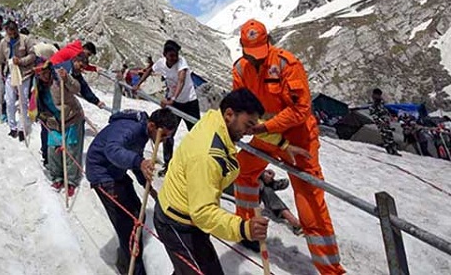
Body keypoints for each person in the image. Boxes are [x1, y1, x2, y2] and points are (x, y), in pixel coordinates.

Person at [232, 19, 345, 274]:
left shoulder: (286, 63)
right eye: (252, 56)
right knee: (243, 171)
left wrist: (264, 127)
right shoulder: (240, 69)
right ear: (242, 48)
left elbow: (300, 109)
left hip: (298, 137)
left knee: (309, 201)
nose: (257, 61)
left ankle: (330, 269)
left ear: (269, 41)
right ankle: (248, 231)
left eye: (260, 54)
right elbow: (240, 104)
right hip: (268, 134)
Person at [154, 89, 269, 275]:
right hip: (178, 222)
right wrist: (243, 228)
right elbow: (202, 212)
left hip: (186, 212)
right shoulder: (207, 156)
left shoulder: (215, 120)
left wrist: (283, 142)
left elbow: (255, 124)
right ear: (229, 114)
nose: (249, 132)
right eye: (248, 125)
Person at [86, 108, 180, 275]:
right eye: (164, 135)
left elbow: (135, 158)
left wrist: (147, 186)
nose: (165, 140)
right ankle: (132, 269)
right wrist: (139, 162)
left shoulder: (143, 131)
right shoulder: (130, 129)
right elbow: (112, 150)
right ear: (152, 126)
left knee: (137, 213)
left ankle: (126, 256)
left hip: (116, 171)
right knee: (127, 224)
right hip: (102, 174)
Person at [133, 40, 200, 177]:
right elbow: (149, 71)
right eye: (171, 56)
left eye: (175, 55)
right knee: (168, 134)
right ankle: (168, 165)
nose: (174, 58)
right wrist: (138, 84)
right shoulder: (161, 63)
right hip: (174, 103)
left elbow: (181, 80)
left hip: (189, 102)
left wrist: (172, 99)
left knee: (197, 134)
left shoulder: (182, 63)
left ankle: (198, 165)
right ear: (165, 55)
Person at [35, 62, 85, 197]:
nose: (43, 76)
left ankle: (71, 181)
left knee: (71, 149)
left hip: (72, 118)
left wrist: (67, 79)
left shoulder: (60, 77)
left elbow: (77, 88)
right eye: (40, 74)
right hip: (54, 122)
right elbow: (35, 104)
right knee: (53, 149)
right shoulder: (38, 86)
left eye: (45, 73)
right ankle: (57, 177)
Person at [0, 20, 36, 141]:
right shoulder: (4, 42)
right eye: (9, 32)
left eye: (13, 31)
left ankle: (21, 128)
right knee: (9, 100)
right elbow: (0, 57)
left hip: (24, 74)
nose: (12, 34)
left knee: (23, 101)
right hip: (9, 73)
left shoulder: (26, 40)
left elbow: (33, 55)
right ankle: (12, 127)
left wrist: (21, 61)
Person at [370, 88, 400, 156]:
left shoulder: (381, 102)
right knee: (385, 136)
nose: (380, 96)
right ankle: (389, 150)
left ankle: (394, 150)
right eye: (378, 95)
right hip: (381, 123)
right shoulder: (374, 104)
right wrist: (380, 121)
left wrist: (389, 117)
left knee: (390, 136)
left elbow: (385, 111)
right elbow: (374, 115)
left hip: (386, 121)